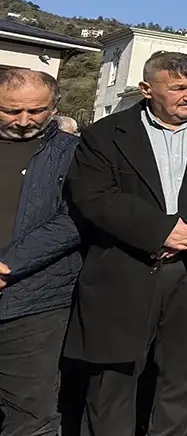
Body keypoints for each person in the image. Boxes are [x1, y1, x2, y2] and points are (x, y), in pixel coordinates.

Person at [65, 51, 187, 435]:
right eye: (179, 87)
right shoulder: (106, 133)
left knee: (182, 379)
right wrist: (157, 230)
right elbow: (93, 195)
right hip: (127, 269)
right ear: (147, 89)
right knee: (113, 382)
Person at [0, 68, 81, 435]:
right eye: (11, 111)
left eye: (36, 111)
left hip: (35, 299)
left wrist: (8, 264)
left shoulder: (75, 153)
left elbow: (76, 218)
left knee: (31, 413)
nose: (23, 121)